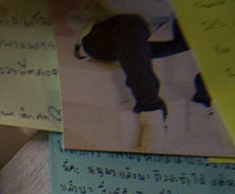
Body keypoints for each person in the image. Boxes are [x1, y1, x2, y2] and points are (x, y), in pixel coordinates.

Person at [70, 1, 211, 150]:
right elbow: (123, 7)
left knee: (212, 19)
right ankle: (151, 111)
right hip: (105, 32)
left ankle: (205, 98)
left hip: (150, 33)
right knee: (131, 24)